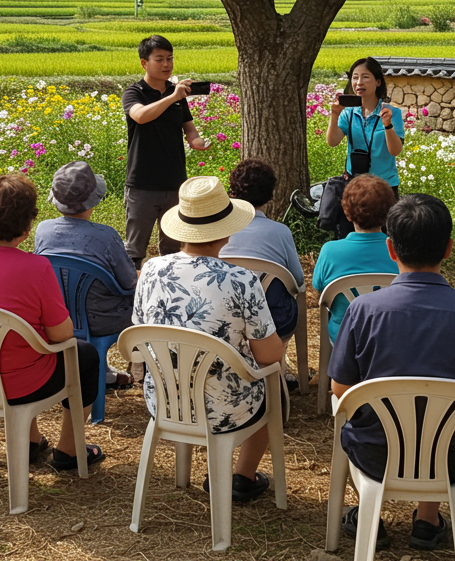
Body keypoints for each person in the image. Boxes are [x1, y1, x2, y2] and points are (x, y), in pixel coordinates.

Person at [331, 193, 455, 552]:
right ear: (449, 249)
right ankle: (428, 520)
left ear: (391, 249)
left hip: (376, 452)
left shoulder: (364, 310)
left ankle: (370, 514)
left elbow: (341, 387)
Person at [133, 175, 284, 502]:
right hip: (224, 406)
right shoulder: (241, 280)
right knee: (277, 394)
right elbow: (270, 356)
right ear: (227, 230)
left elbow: (139, 336)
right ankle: (243, 478)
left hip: (164, 399)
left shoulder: (150, 270)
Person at [0, 174, 105, 470]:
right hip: (22, 384)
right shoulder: (36, 267)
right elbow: (62, 335)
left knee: (14, 348)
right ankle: (69, 449)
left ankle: (30, 441)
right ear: (28, 224)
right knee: (84, 355)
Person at [33, 160, 138, 388]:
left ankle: (103, 374)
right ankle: (142, 370)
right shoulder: (106, 236)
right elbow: (129, 282)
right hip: (103, 320)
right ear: (96, 199)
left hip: (57, 316)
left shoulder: (43, 229)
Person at [121, 34, 211, 266]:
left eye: (169, 59)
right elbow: (140, 116)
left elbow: (189, 130)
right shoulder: (135, 92)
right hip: (142, 184)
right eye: (159, 59)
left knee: (173, 249)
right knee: (134, 250)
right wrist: (172, 97)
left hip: (175, 183)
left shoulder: (177, 94)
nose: (166, 65)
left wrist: (198, 141)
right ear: (144, 63)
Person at [221, 159, 305, 344]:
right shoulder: (280, 231)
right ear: (270, 195)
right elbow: (298, 281)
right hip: (274, 323)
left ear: (233, 192)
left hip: (223, 319)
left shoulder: (219, 233)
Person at [312, 174, 399, 345]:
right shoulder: (400, 253)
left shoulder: (330, 251)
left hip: (343, 339)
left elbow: (320, 291)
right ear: (389, 212)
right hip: (391, 336)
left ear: (347, 212)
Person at [326, 58, 403, 196]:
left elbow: (395, 151)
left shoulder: (391, 113)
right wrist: (335, 115)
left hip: (384, 187)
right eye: (355, 78)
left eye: (365, 77)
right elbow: (333, 142)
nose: (359, 82)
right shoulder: (348, 113)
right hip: (354, 184)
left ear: (378, 82)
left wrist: (387, 125)